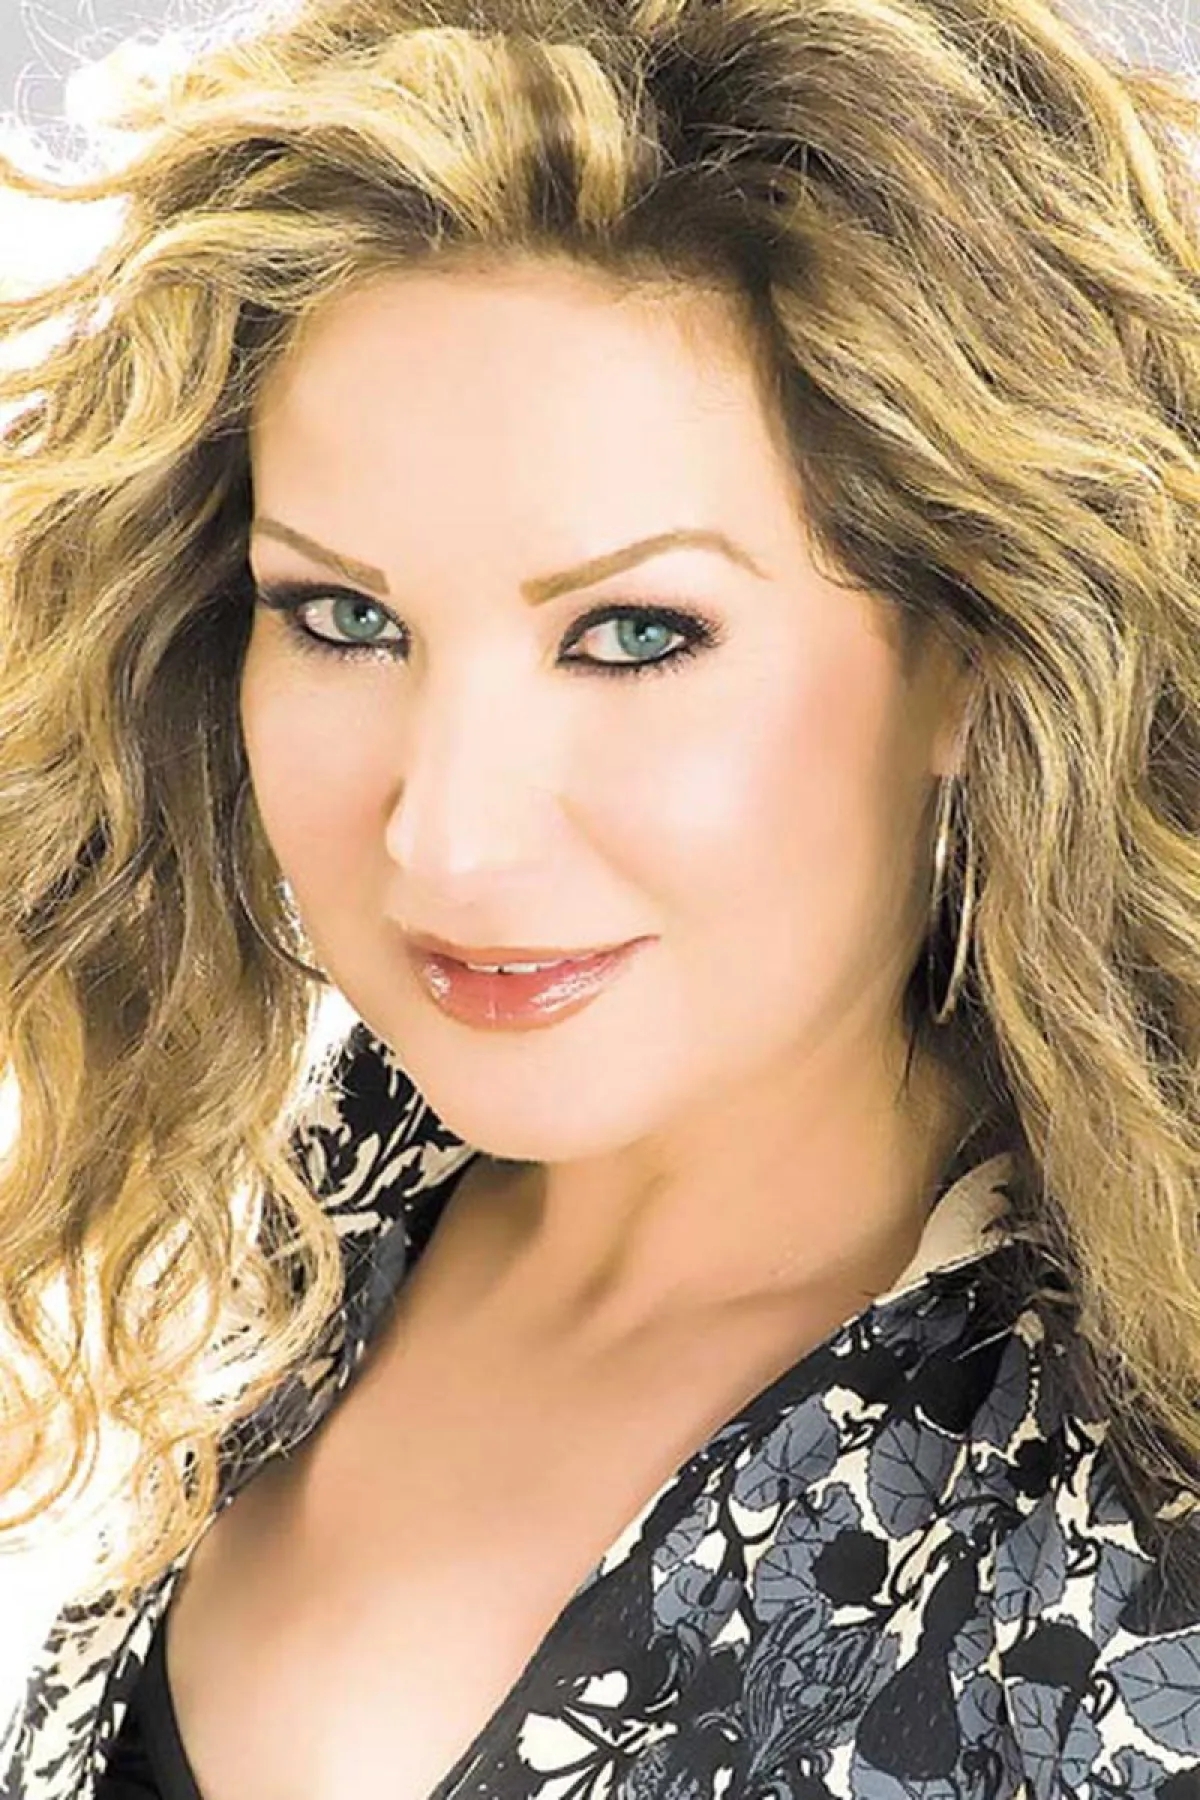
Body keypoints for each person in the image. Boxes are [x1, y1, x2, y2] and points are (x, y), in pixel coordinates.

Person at [0, 0, 1198, 1792]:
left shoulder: (1123, 1561)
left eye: (636, 634)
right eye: (343, 617)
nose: (447, 842)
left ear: (970, 650)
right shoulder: (302, 1193)